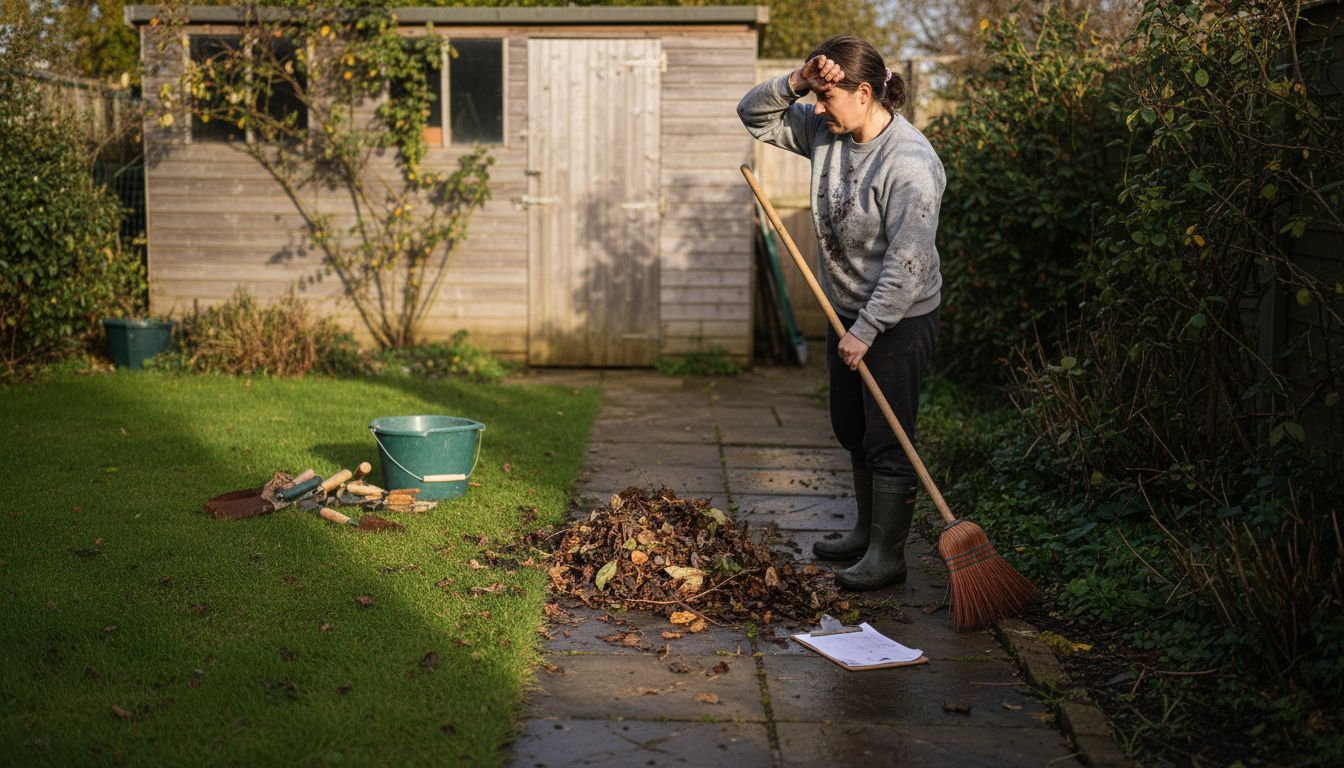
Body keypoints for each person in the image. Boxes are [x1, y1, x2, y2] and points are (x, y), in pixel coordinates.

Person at [737, 36, 944, 590]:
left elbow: (909, 263)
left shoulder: (911, 163)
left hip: (898, 318)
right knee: (849, 426)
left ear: (866, 91)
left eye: (829, 97)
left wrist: (868, 330)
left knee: (888, 437)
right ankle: (863, 532)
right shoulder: (826, 131)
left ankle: (888, 555)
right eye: (816, 97)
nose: (819, 109)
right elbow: (752, 115)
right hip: (844, 311)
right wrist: (798, 81)